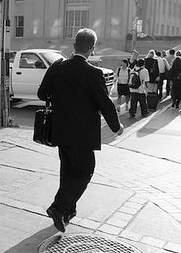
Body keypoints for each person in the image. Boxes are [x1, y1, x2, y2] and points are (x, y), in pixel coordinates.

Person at [37, 28, 123, 233]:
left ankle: (67, 212)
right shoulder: (94, 73)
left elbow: (42, 93)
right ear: (92, 49)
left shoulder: (58, 67)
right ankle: (58, 208)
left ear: (74, 46)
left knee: (68, 172)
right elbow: (105, 103)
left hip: (60, 130)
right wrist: (116, 127)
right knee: (84, 171)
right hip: (83, 135)